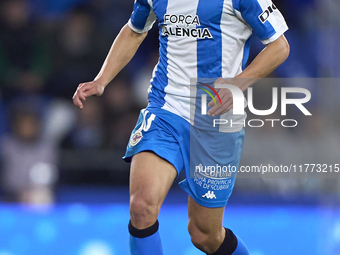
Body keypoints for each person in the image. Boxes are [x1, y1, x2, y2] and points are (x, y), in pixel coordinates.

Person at [73, 0, 290, 254]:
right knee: (141, 207)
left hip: (216, 118)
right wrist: (102, 80)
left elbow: (279, 46)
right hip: (165, 109)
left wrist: (238, 84)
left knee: (204, 235)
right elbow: (134, 30)